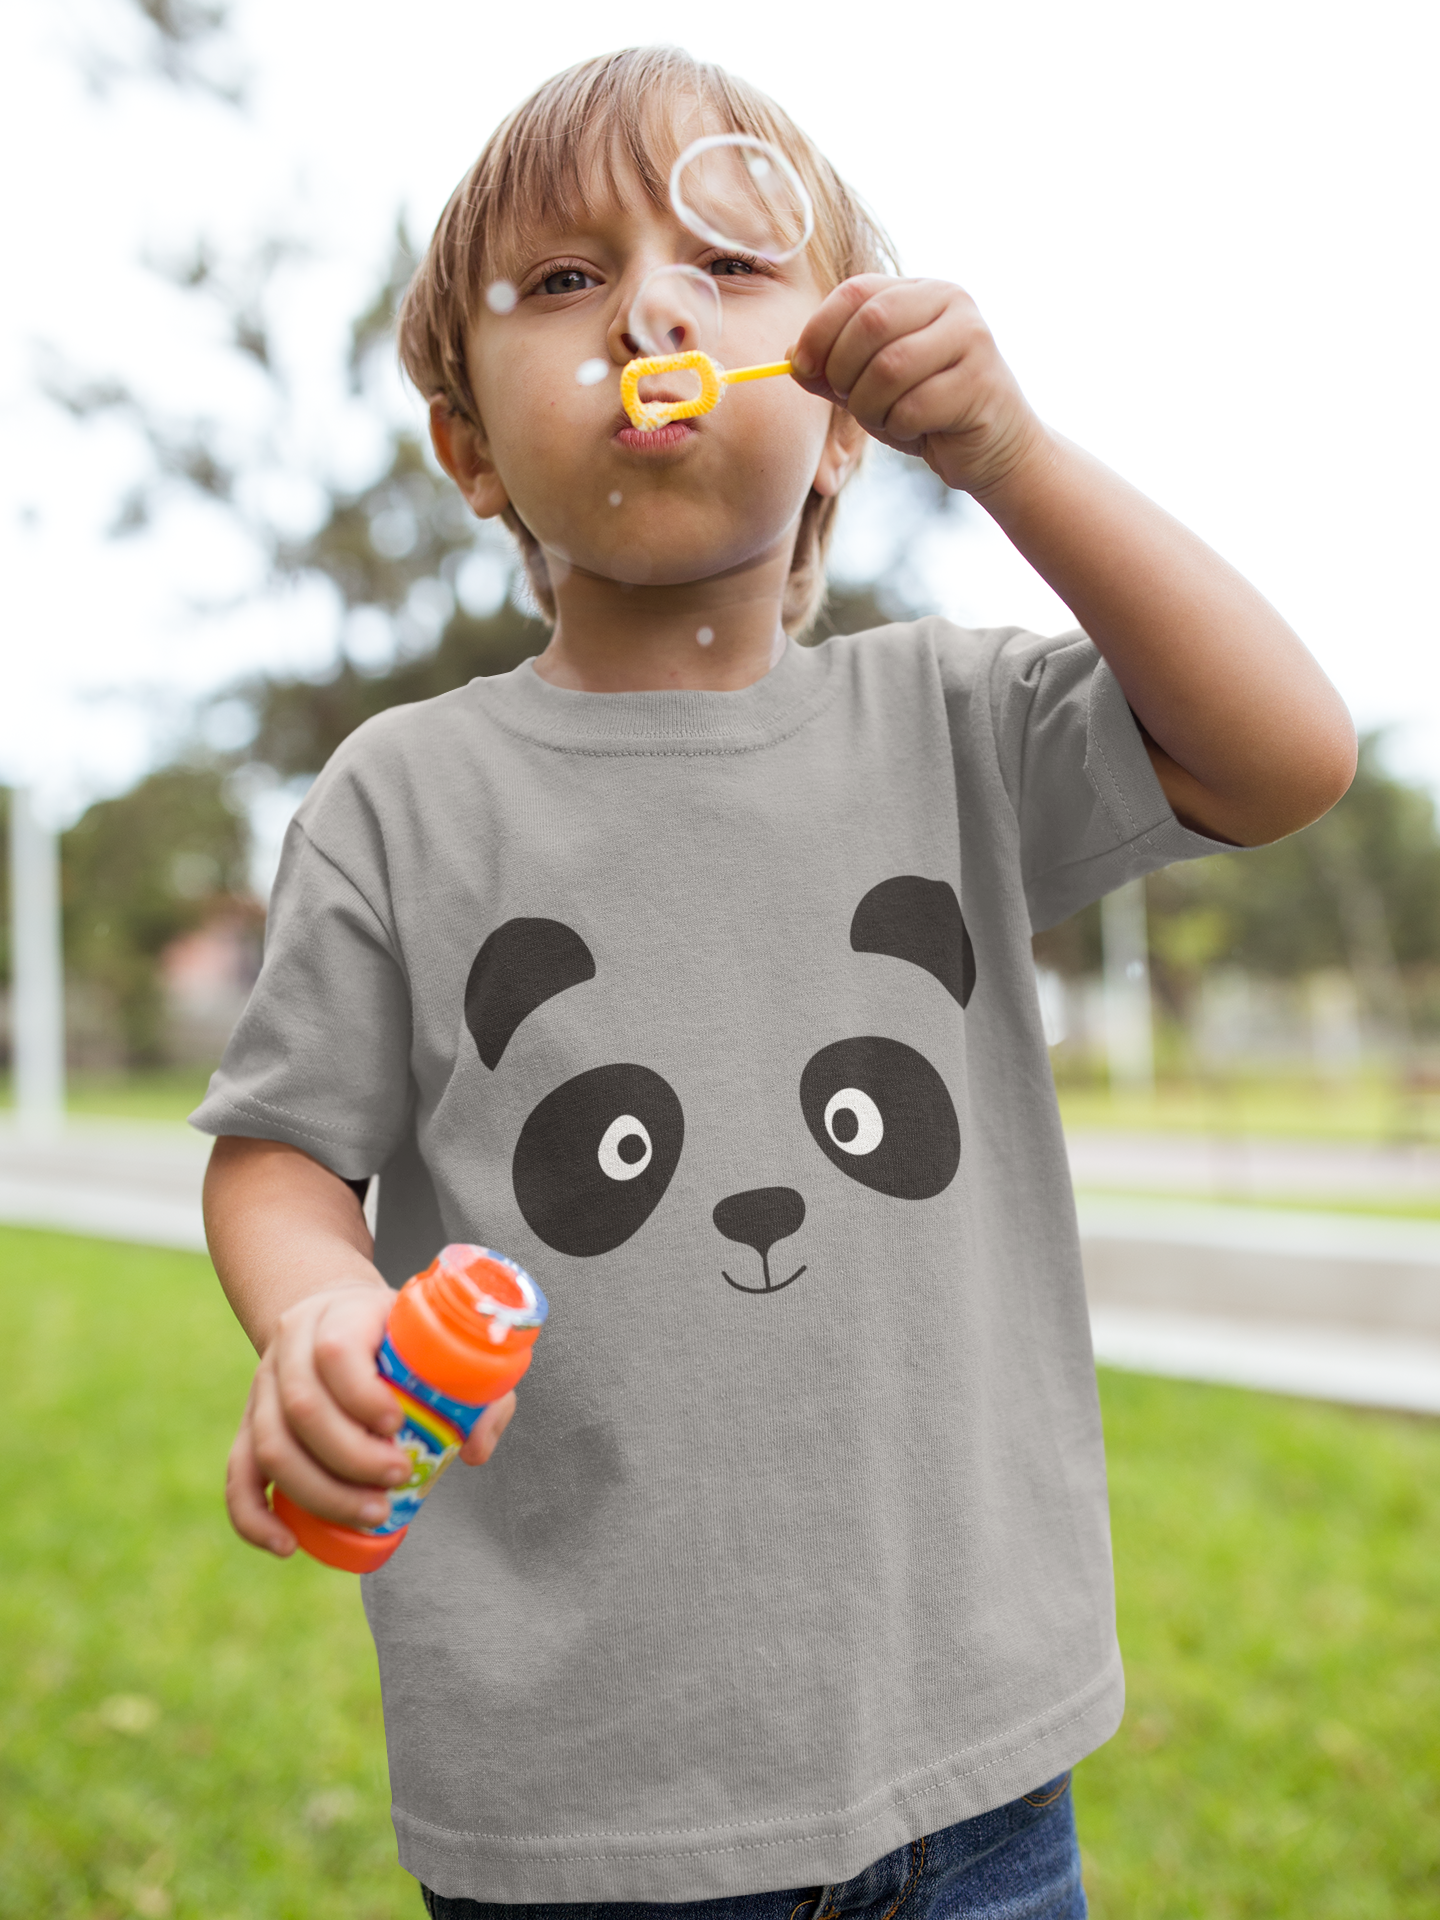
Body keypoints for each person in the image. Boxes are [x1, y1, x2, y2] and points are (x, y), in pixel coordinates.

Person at [194, 46, 1356, 1920]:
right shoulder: (402, 799)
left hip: (978, 1775)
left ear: (837, 412)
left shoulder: (954, 724)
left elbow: (1283, 756)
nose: (652, 304)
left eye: (728, 266)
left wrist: (1018, 458)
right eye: (565, 282)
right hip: (581, 1811)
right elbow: (280, 1154)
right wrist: (319, 1313)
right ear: (470, 446)